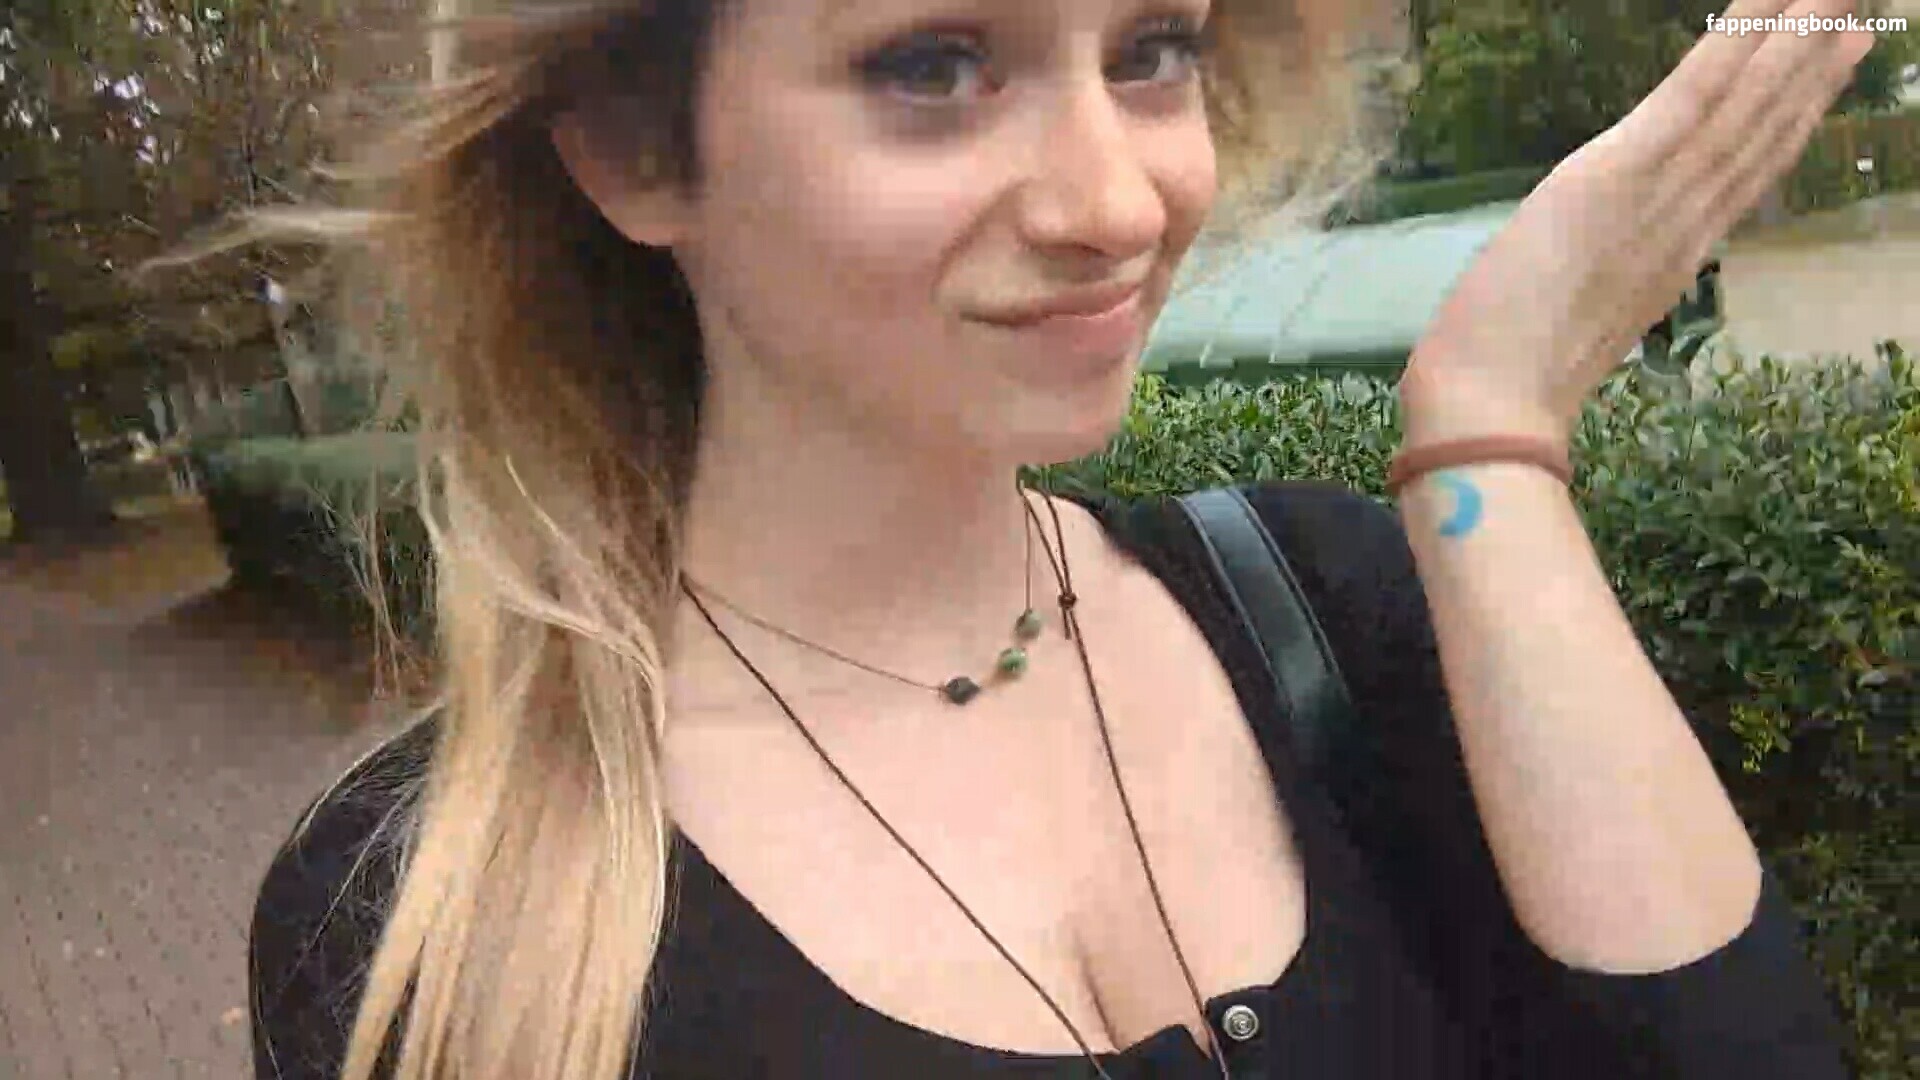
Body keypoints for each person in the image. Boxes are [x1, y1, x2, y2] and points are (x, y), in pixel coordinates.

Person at [245, 1, 1873, 1078]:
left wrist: (1492, 437)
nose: (1118, 204)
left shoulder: (1335, 610)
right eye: (935, 66)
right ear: (632, 148)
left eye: (1154, 49)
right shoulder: (433, 932)